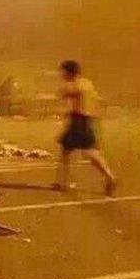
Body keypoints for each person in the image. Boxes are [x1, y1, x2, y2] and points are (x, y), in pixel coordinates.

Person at [53, 60, 118, 195]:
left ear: (69, 72)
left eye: (63, 72)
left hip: (78, 120)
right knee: (84, 151)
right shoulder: (88, 83)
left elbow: (64, 96)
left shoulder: (73, 86)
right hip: (89, 119)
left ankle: (64, 183)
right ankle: (109, 176)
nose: (62, 74)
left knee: (76, 151)